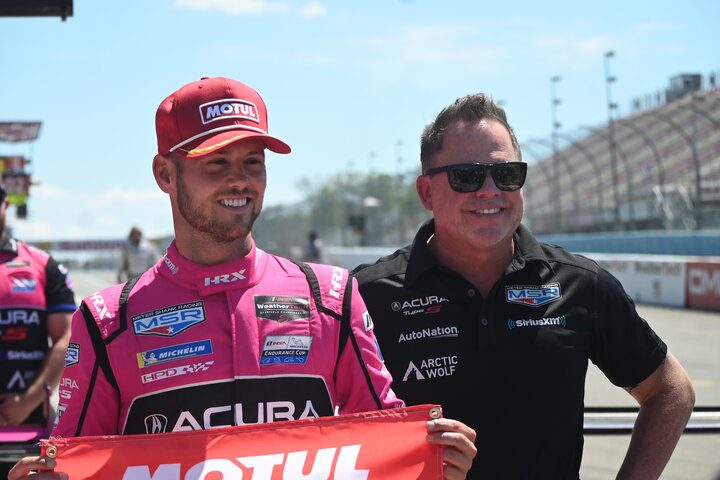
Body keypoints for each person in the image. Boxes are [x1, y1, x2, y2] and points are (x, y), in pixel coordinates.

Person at [9, 77, 476, 480]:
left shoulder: (330, 297)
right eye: (217, 162)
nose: (241, 180)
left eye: (253, 161)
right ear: (165, 174)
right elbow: (76, 458)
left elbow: (385, 439)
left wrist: (430, 456)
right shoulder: (108, 321)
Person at [352, 93, 695, 479]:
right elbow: (324, 426)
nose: (489, 190)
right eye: (466, 176)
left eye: (506, 174)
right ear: (427, 193)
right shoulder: (365, 297)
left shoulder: (580, 284)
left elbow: (671, 390)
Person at [0, 182, 76, 478]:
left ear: (6, 204)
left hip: (32, 422)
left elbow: (66, 337)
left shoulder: (42, 265)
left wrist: (26, 401)